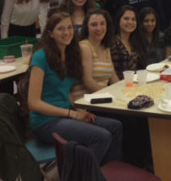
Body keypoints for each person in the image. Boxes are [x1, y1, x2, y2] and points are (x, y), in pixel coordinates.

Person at [27, 10, 122, 165]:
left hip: (65, 115)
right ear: (50, 33)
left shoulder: (70, 55)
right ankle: (79, 179)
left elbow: (66, 90)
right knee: (102, 137)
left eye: (70, 28)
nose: (67, 32)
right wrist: (72, 113)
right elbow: (33, 103)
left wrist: (77, 110)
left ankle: (106, 175)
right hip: (45, 123)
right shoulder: (41, 56)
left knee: (115, 126)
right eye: (61, 29)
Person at [71, 9, 118, 102]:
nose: (99, 28)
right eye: (94, 25)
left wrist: (125, 92)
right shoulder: (85, 47)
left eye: (102, 24)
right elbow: (87, 82)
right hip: (86, 103)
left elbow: (114, 79)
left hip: (103, 100)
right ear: (86, 27)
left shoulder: (105, 47)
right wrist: (111, 96)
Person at [110, 6, 147, 80]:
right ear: (118, 20)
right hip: (118, 85)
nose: (130, 22)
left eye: (133, 19)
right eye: (126, 19)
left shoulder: (137, 41)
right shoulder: (112, 42)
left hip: (136, 83)